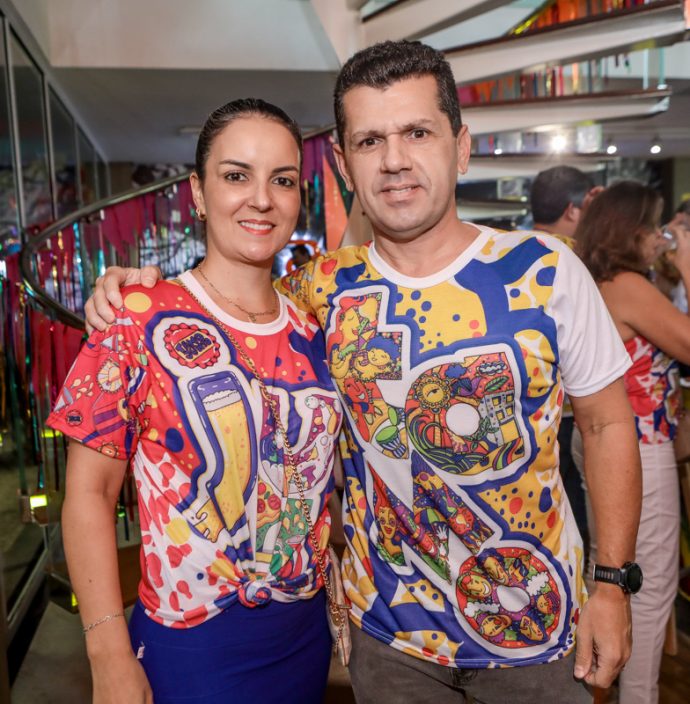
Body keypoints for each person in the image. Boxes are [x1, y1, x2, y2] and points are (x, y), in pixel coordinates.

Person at [84, 41, 642, 704]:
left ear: (461, 147)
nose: (395, 159)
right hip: (387, 645)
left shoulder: (546, 271)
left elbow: (607, 426)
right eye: (371, 140)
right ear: (345, 165)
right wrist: (132, 290)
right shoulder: (316, 292)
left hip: (534, 633)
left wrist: (613, 584)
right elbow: (224, 302)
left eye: (417, 132)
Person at [48, 98, 344, 704]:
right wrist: (107, 655)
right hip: (191, 644)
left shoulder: (315, 327)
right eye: (236, 175)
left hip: (304, 634)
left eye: (282, 180)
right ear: (198, 194)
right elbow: (89, 494)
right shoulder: (136, 318)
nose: (261, 199)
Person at [573, 180, 690, 704]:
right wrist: (688, 263)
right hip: (638, 444)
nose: (660, 237)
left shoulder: (600, 281)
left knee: (612, 574)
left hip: (609, 441)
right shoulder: (624, 284)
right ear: (632, 229)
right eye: (654, 226)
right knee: (649, 586)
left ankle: (604, 688)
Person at [529, 165, 602, 550]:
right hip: (574, 414)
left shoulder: (513, 254)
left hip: (535, 416)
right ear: (573, 210)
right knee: (577, 519)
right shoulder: (576, 259)